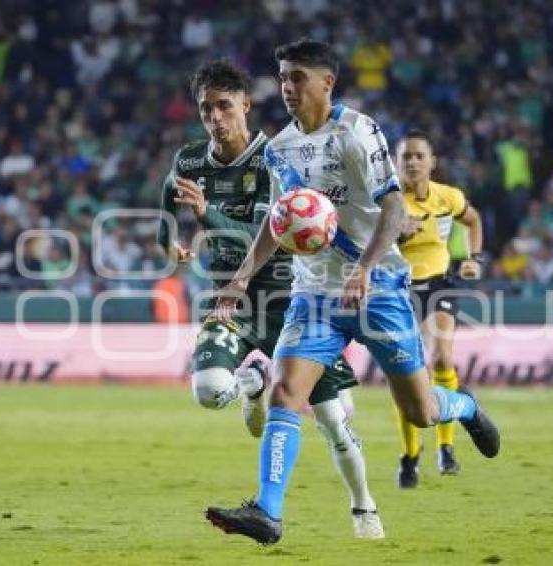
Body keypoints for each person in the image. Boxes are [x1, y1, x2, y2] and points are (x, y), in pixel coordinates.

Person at [205, 39, 500, 544]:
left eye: (298, 77)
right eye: (282, 77)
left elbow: (391, 209)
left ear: (327, 82)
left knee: (421, 412)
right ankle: (267, 513)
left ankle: (465, 406)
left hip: (379, 288)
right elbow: (279, 223)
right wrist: (240, 278)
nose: (287, 87)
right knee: (285, 392)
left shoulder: (359, 133)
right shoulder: (278, 150)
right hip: (313, 293)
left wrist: (364, 268)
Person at [158, 59, 384, 539]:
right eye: (206, 109)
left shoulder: (276, 159)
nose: (215, 118)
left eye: (224, 106)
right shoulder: (191, 161)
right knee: (209, 390)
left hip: (291, 302)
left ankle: (364, 507)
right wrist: (166, 238)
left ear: (245, 104)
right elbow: (165, 196)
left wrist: (208, 213)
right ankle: (254, 384)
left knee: (335, 419)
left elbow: (270, 235)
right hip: (232, 302)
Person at [394, 129, 485, 486]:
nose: (413, 162)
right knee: (406, 375)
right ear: (396, 163)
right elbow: (363, 240)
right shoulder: (387, 201)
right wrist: (396, 233)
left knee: (443, 359)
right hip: (396, 290)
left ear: (432, 162)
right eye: (406, 157)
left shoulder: (448, 197)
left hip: (438, 285)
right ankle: (409, 457)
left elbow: (473, 220)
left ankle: (446, 448)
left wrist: (475, 258)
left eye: (419, 156)